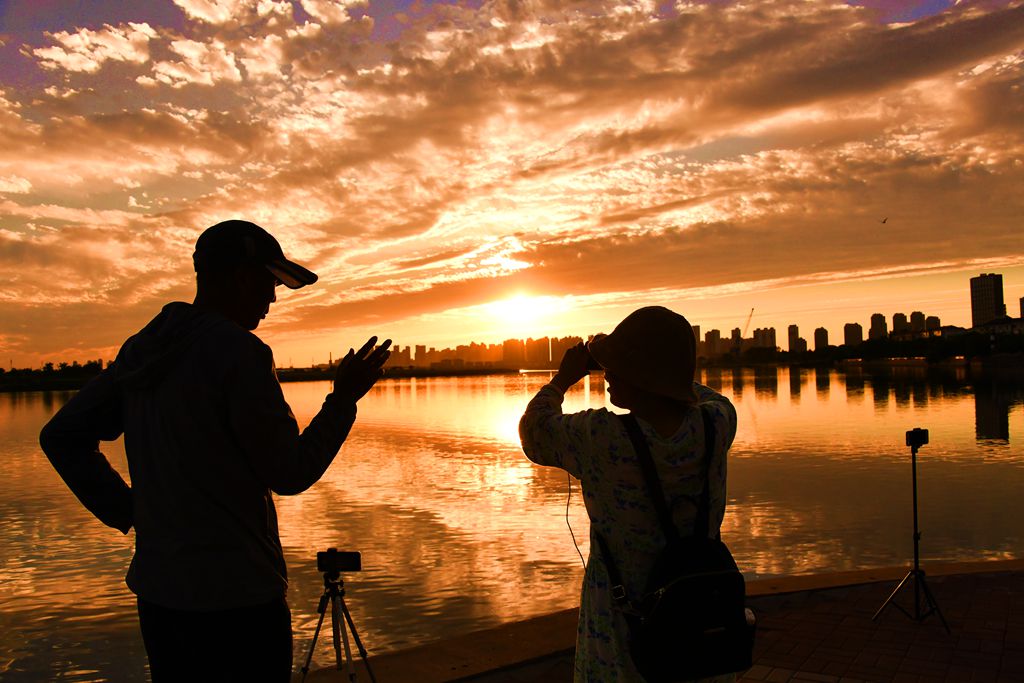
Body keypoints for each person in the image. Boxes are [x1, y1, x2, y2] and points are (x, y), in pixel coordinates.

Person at [39, 219, 391, 682]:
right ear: (243, 277)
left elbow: (61, 436)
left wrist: (132, 511)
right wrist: (342, 400)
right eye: (269, 282)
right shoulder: (238, 353)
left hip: (161, 596)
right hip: (238, 601)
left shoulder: (142, 352)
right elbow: (288, 474)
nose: (272, 298)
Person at [519, 306, 738, 683]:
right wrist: (665, 379)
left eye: (617, 367)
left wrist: (564, 379)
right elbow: (693, 393)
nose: (608, 374)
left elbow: (534, 432)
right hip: (701, 623)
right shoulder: (717, 422)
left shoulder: (601, 437)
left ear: (645, 375)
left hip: (623, 630)